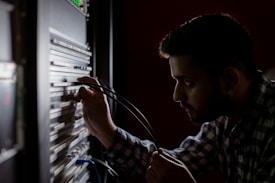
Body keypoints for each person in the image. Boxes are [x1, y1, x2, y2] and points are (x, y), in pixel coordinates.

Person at [76, 13, 275, 183]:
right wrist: (107, 132)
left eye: (188, 82)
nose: (176, 96)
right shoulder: (224, 119)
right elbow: (169, 165)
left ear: (230, 80)